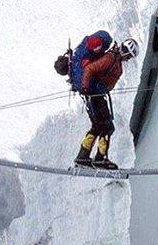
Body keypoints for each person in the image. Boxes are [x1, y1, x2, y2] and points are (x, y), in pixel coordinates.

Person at [57, 35, 139, 169]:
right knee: (107, 127)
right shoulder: (110, 58)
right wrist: (85, 87)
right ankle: (100, 158)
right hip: (95, 96)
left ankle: (83, 157)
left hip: (95, 95)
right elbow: (90, 69)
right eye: (128, 55)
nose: (127, 58)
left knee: (97, 126)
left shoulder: (113, 59)